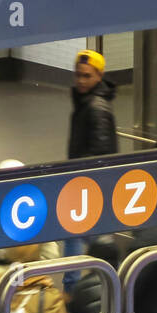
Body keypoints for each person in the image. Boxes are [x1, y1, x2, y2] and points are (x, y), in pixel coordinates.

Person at [64, 49, 117, 258]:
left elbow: (100, 154)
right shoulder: (85, 101)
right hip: (83, 184)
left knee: (82, 236)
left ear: (99, 76)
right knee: (77, 234)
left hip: (91, 187)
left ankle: (76, 284)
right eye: (78, 74)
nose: (81, 81)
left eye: (87, 76)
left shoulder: (96, 108)